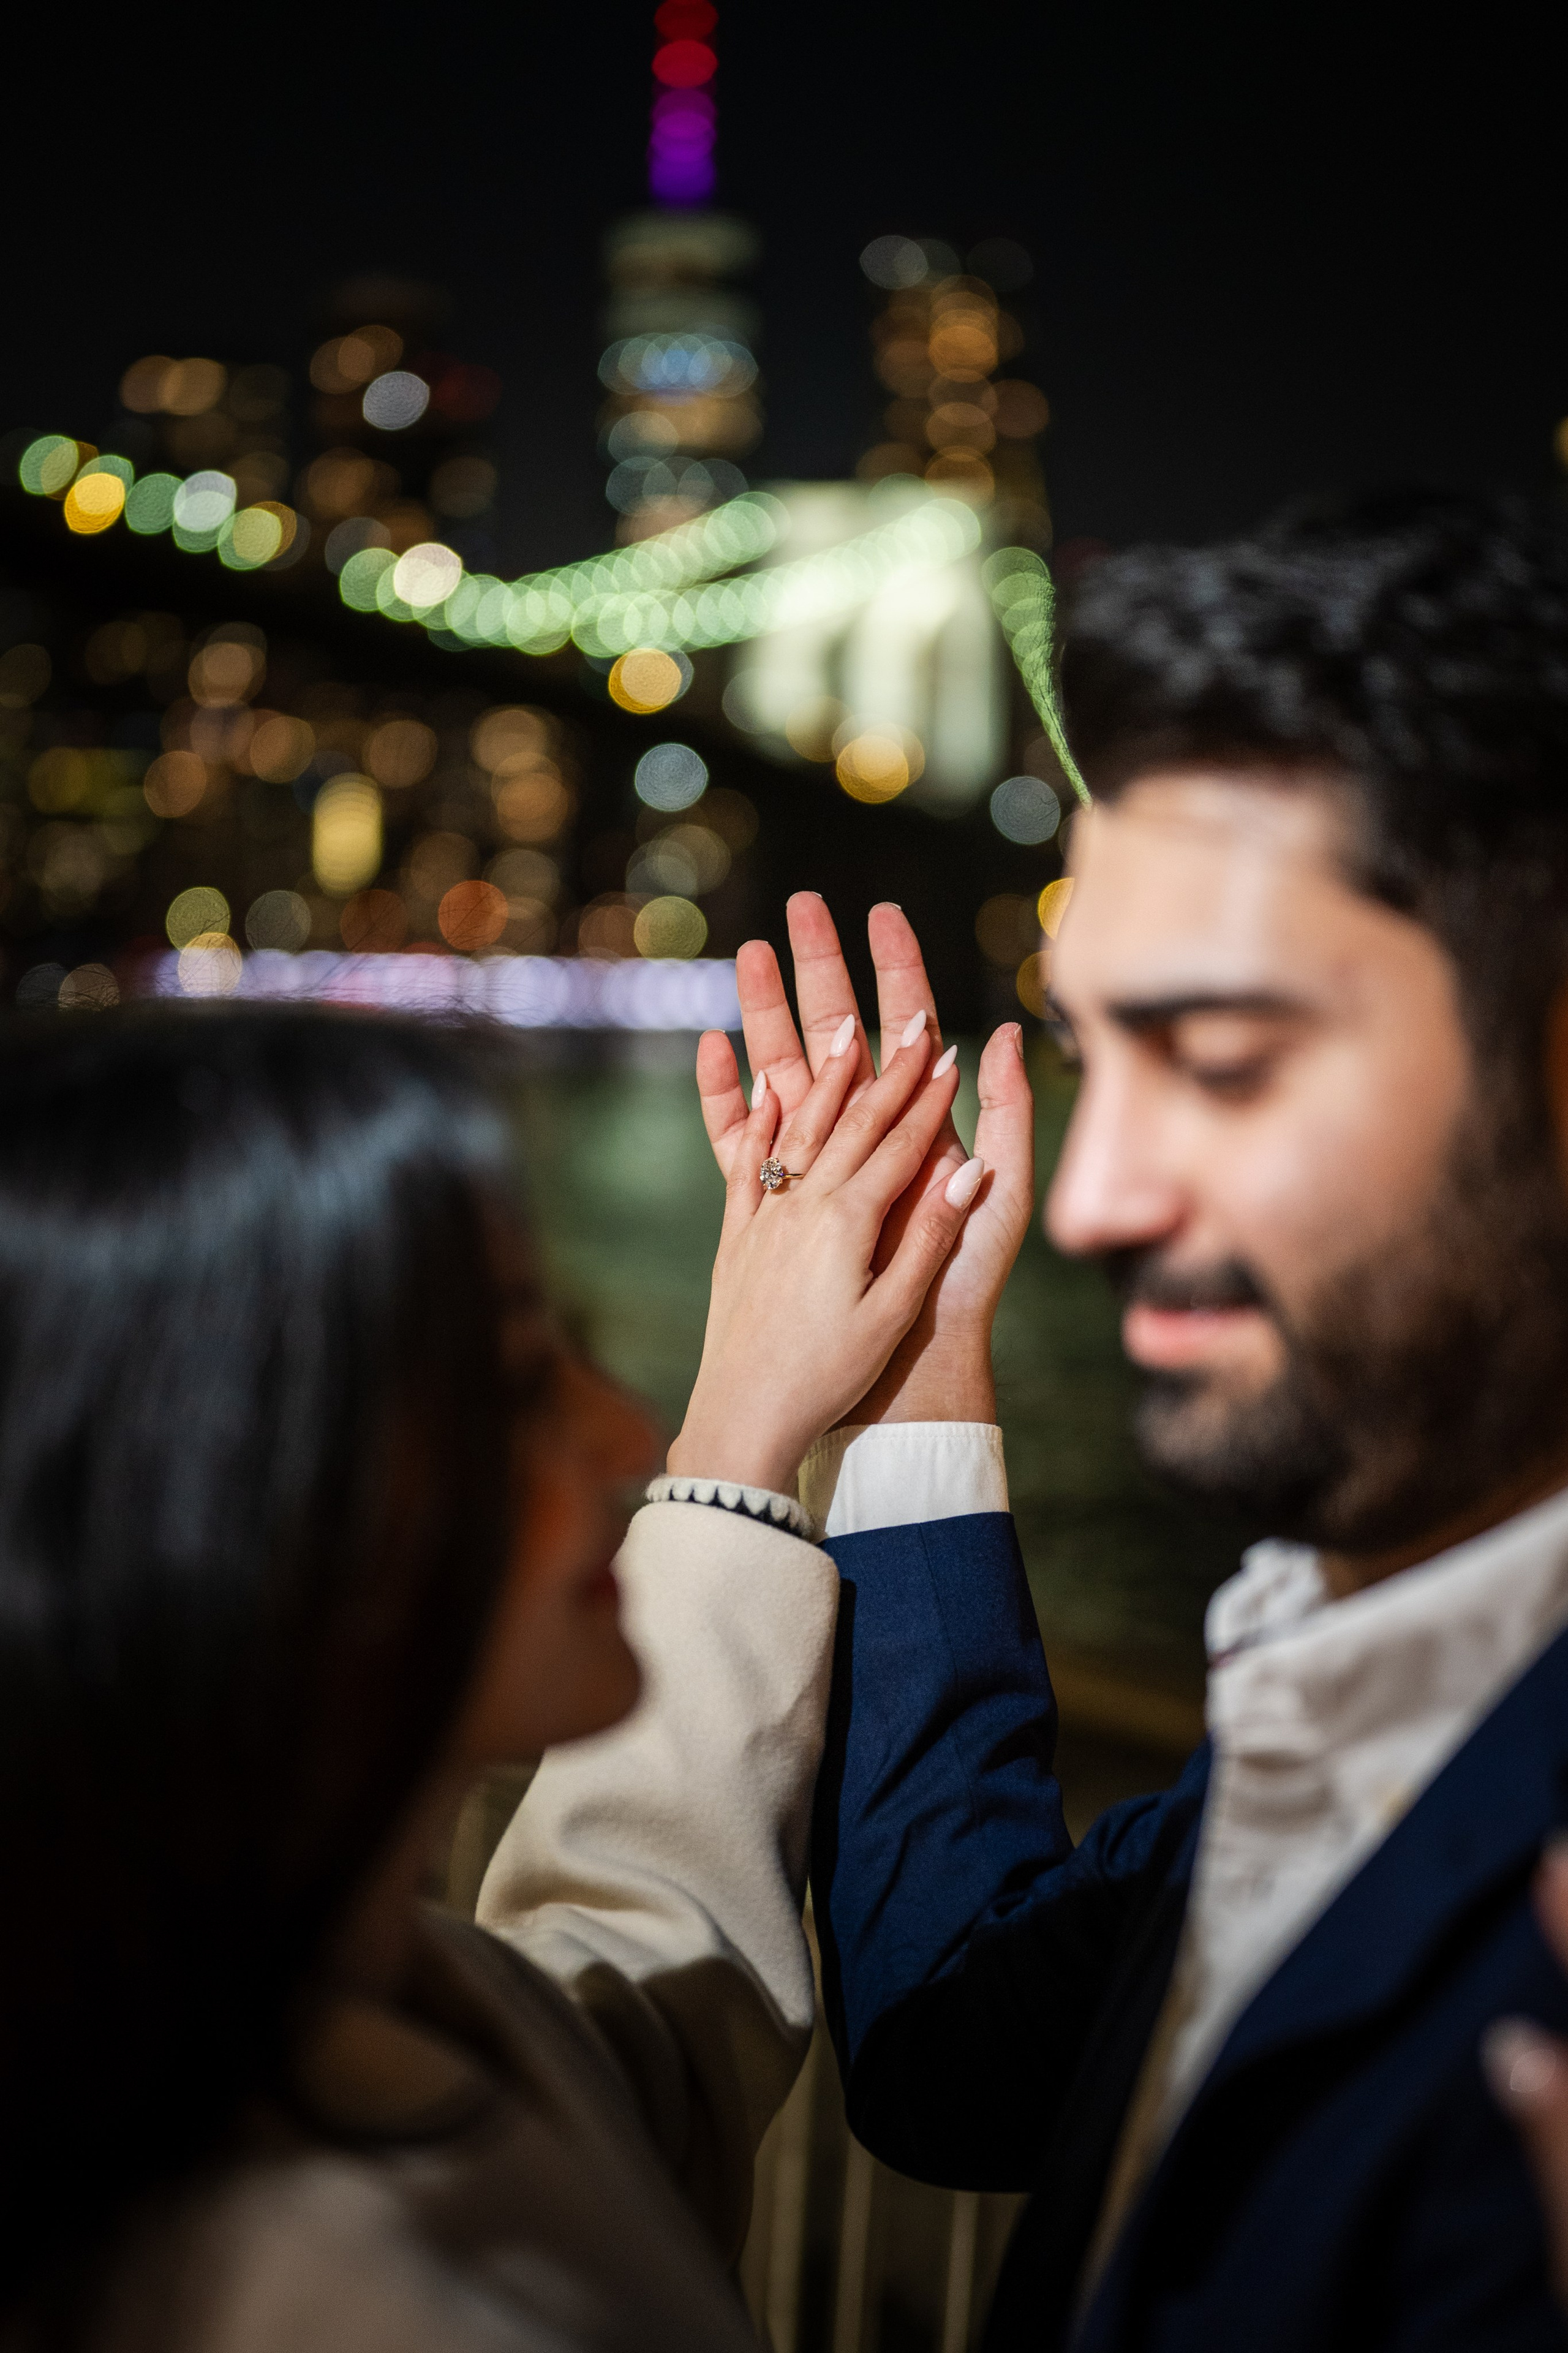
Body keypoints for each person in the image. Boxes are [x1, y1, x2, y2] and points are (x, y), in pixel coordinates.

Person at [698, 491, 1568, 2351]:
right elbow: (957, 2058)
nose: (1088, 1204)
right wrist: (926, 1335)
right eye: (1101, 1056)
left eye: (1228, 1062)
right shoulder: (1370, 1678)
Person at [0, 997, 987, 2350]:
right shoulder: (353, 2295)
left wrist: (746, 1427)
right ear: (235, 1502)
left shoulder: (278, 2024)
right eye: (522, 1375)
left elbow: (627, 2003)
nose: (623, 1426)